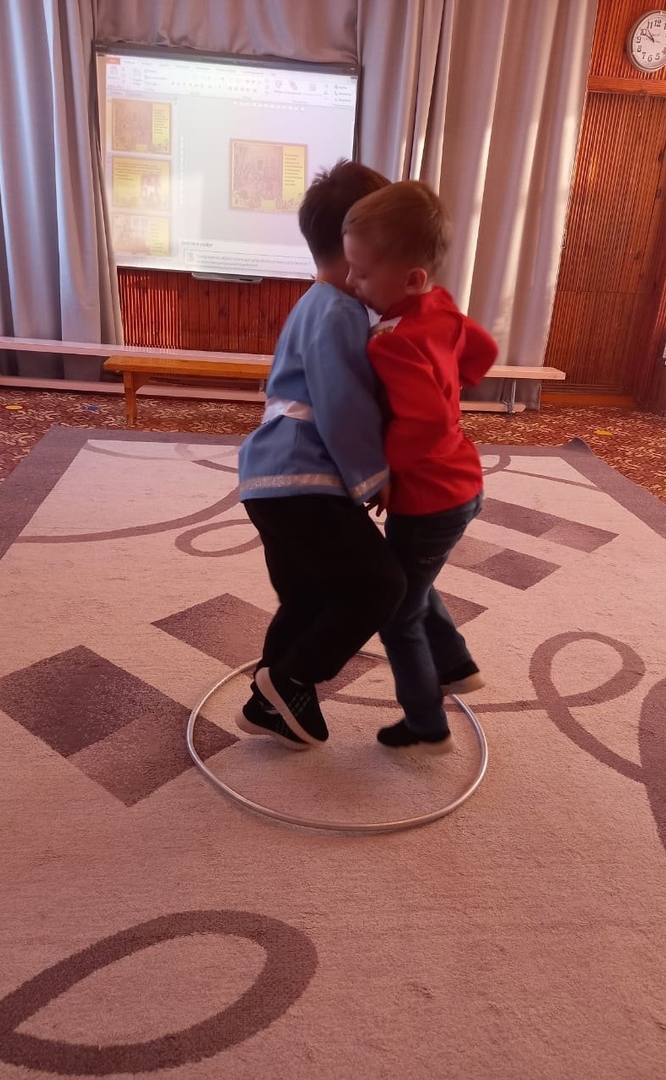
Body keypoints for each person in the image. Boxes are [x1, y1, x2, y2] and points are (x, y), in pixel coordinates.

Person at [236, 160, 406, 750]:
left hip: (269, 481)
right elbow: (342, 406)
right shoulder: (338, 311)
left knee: (308, 597)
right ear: (363, 247)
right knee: (380, 584)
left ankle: (270, 701)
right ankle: (290, 679)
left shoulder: (315, 303)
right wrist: (375, 478)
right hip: (302, 478)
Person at [342, 179, 499, 754]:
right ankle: (455, 663)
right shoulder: (441, 304)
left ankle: (427, 724)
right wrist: (456, 381)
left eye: (362, 274)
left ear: (411, 279)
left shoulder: (390, 341)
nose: (351, 283)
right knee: (412, 581)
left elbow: (426, 422)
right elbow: (484, 349)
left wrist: (386, 474)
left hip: (430, 499)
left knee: (397, 613)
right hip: (461, 481)